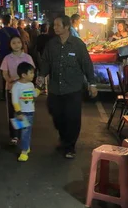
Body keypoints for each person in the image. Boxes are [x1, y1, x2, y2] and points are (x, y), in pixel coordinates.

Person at [38, 15, 98, 159]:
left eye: (58, 25)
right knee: (56, 114)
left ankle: (70, 146)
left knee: (72, 117)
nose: (55, 28)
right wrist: (41, 75)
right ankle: (63, 137)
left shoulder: (78, 45)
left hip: (73, 88)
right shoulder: (51, 44)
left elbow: (87, 65)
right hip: (54, 88)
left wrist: (92, 83)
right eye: (54, 25)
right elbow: (46, 61)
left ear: (66, 27)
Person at [0, 36, 35, 145]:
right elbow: (4, 72)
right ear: (10, 45)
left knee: (25, 110)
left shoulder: (28, 57)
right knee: (13, 112)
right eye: (14, 43)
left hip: (25, 90)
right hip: (11, 88)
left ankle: (22, 133)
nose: (16, 45)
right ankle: (14, 135)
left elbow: (32, 71)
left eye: (19, 42)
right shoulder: (7, 58)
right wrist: (9, 80)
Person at [12, 62, 40, 162]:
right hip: (20, 112)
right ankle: (25, 146)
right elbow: (14, 100)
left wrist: (37, 90)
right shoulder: (16, 86)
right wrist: (18, 112)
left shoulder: (31, 84)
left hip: (29, 112)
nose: (33, 75)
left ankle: (24, 151)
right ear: (24, 75)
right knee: (21, 131)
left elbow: (33, 95)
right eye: (31, 73)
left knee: (25, 132)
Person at [0, 15, 21, 98]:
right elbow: (19, 42)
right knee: (15, 73)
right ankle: (15, 92)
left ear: (2, 22)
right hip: (14, 54)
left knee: (4, 74)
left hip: (3, 55)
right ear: (10, 21)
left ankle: (5, 93)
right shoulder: (15, 31)